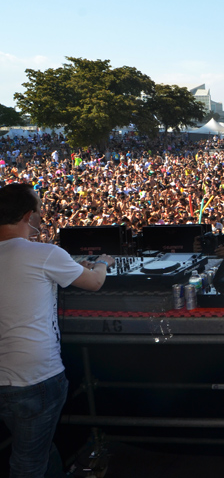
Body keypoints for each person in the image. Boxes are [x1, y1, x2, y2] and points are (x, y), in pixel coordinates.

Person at [0, 183, 113, 478]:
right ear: (29, 216)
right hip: (35, 377)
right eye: (38, 209)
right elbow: (95, 283)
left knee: (38, 448)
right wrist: (102, 263)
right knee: (28, 462)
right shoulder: (45, 253)